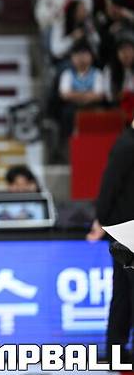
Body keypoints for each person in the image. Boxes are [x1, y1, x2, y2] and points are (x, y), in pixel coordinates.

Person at [85, 117, 134, 364]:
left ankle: (116, 350)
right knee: (125, 291)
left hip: (125, 228)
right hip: (127, 229)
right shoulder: (127, 145)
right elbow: (109, 185)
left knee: (123, 292)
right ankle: (116, 350)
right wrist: (101, 219)